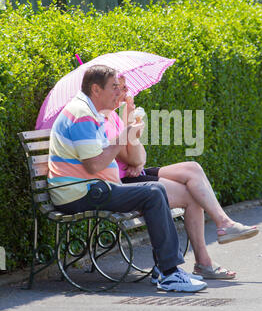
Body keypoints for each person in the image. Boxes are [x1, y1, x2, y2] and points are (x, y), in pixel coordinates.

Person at [47, 65, 208, 293]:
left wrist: (125, 133)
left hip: (92, 188)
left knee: (155, 190)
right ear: (95, 89)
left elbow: (107, 159)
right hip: (79, 193)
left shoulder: (90, 112)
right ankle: (169, 273)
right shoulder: (82, 114)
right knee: (152, 192)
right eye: (114, 87)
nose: (118, 93)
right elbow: (94, 164)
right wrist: (122, 138)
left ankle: (165, 270)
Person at [104, 76, 259, 281]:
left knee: (193, 168)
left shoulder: (115, 117)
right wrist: (129, 125)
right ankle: (205, 260)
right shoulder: (106, 120)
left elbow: (140, 158)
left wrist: (137, 157)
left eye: (125, 87)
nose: (126, 92)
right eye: (120, 88)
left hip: (136, 173)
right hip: (123, 182)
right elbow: (130, 156)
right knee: (192, 194)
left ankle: (224, 224)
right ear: (105, 91)